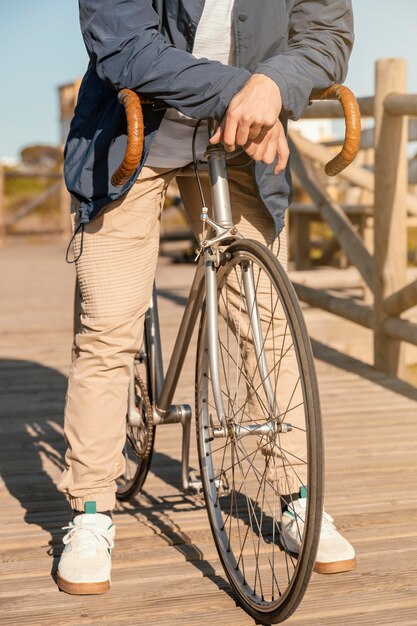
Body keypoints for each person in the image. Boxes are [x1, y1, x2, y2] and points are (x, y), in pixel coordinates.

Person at [57, 0, 356, 595]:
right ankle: (90, 510)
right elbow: (120, 43)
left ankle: (298, 495)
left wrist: (275, 83)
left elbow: (326, 36)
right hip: (136, 138)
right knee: (109, 329)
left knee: (266, 322)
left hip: (247, 140)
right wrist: (247, 88)